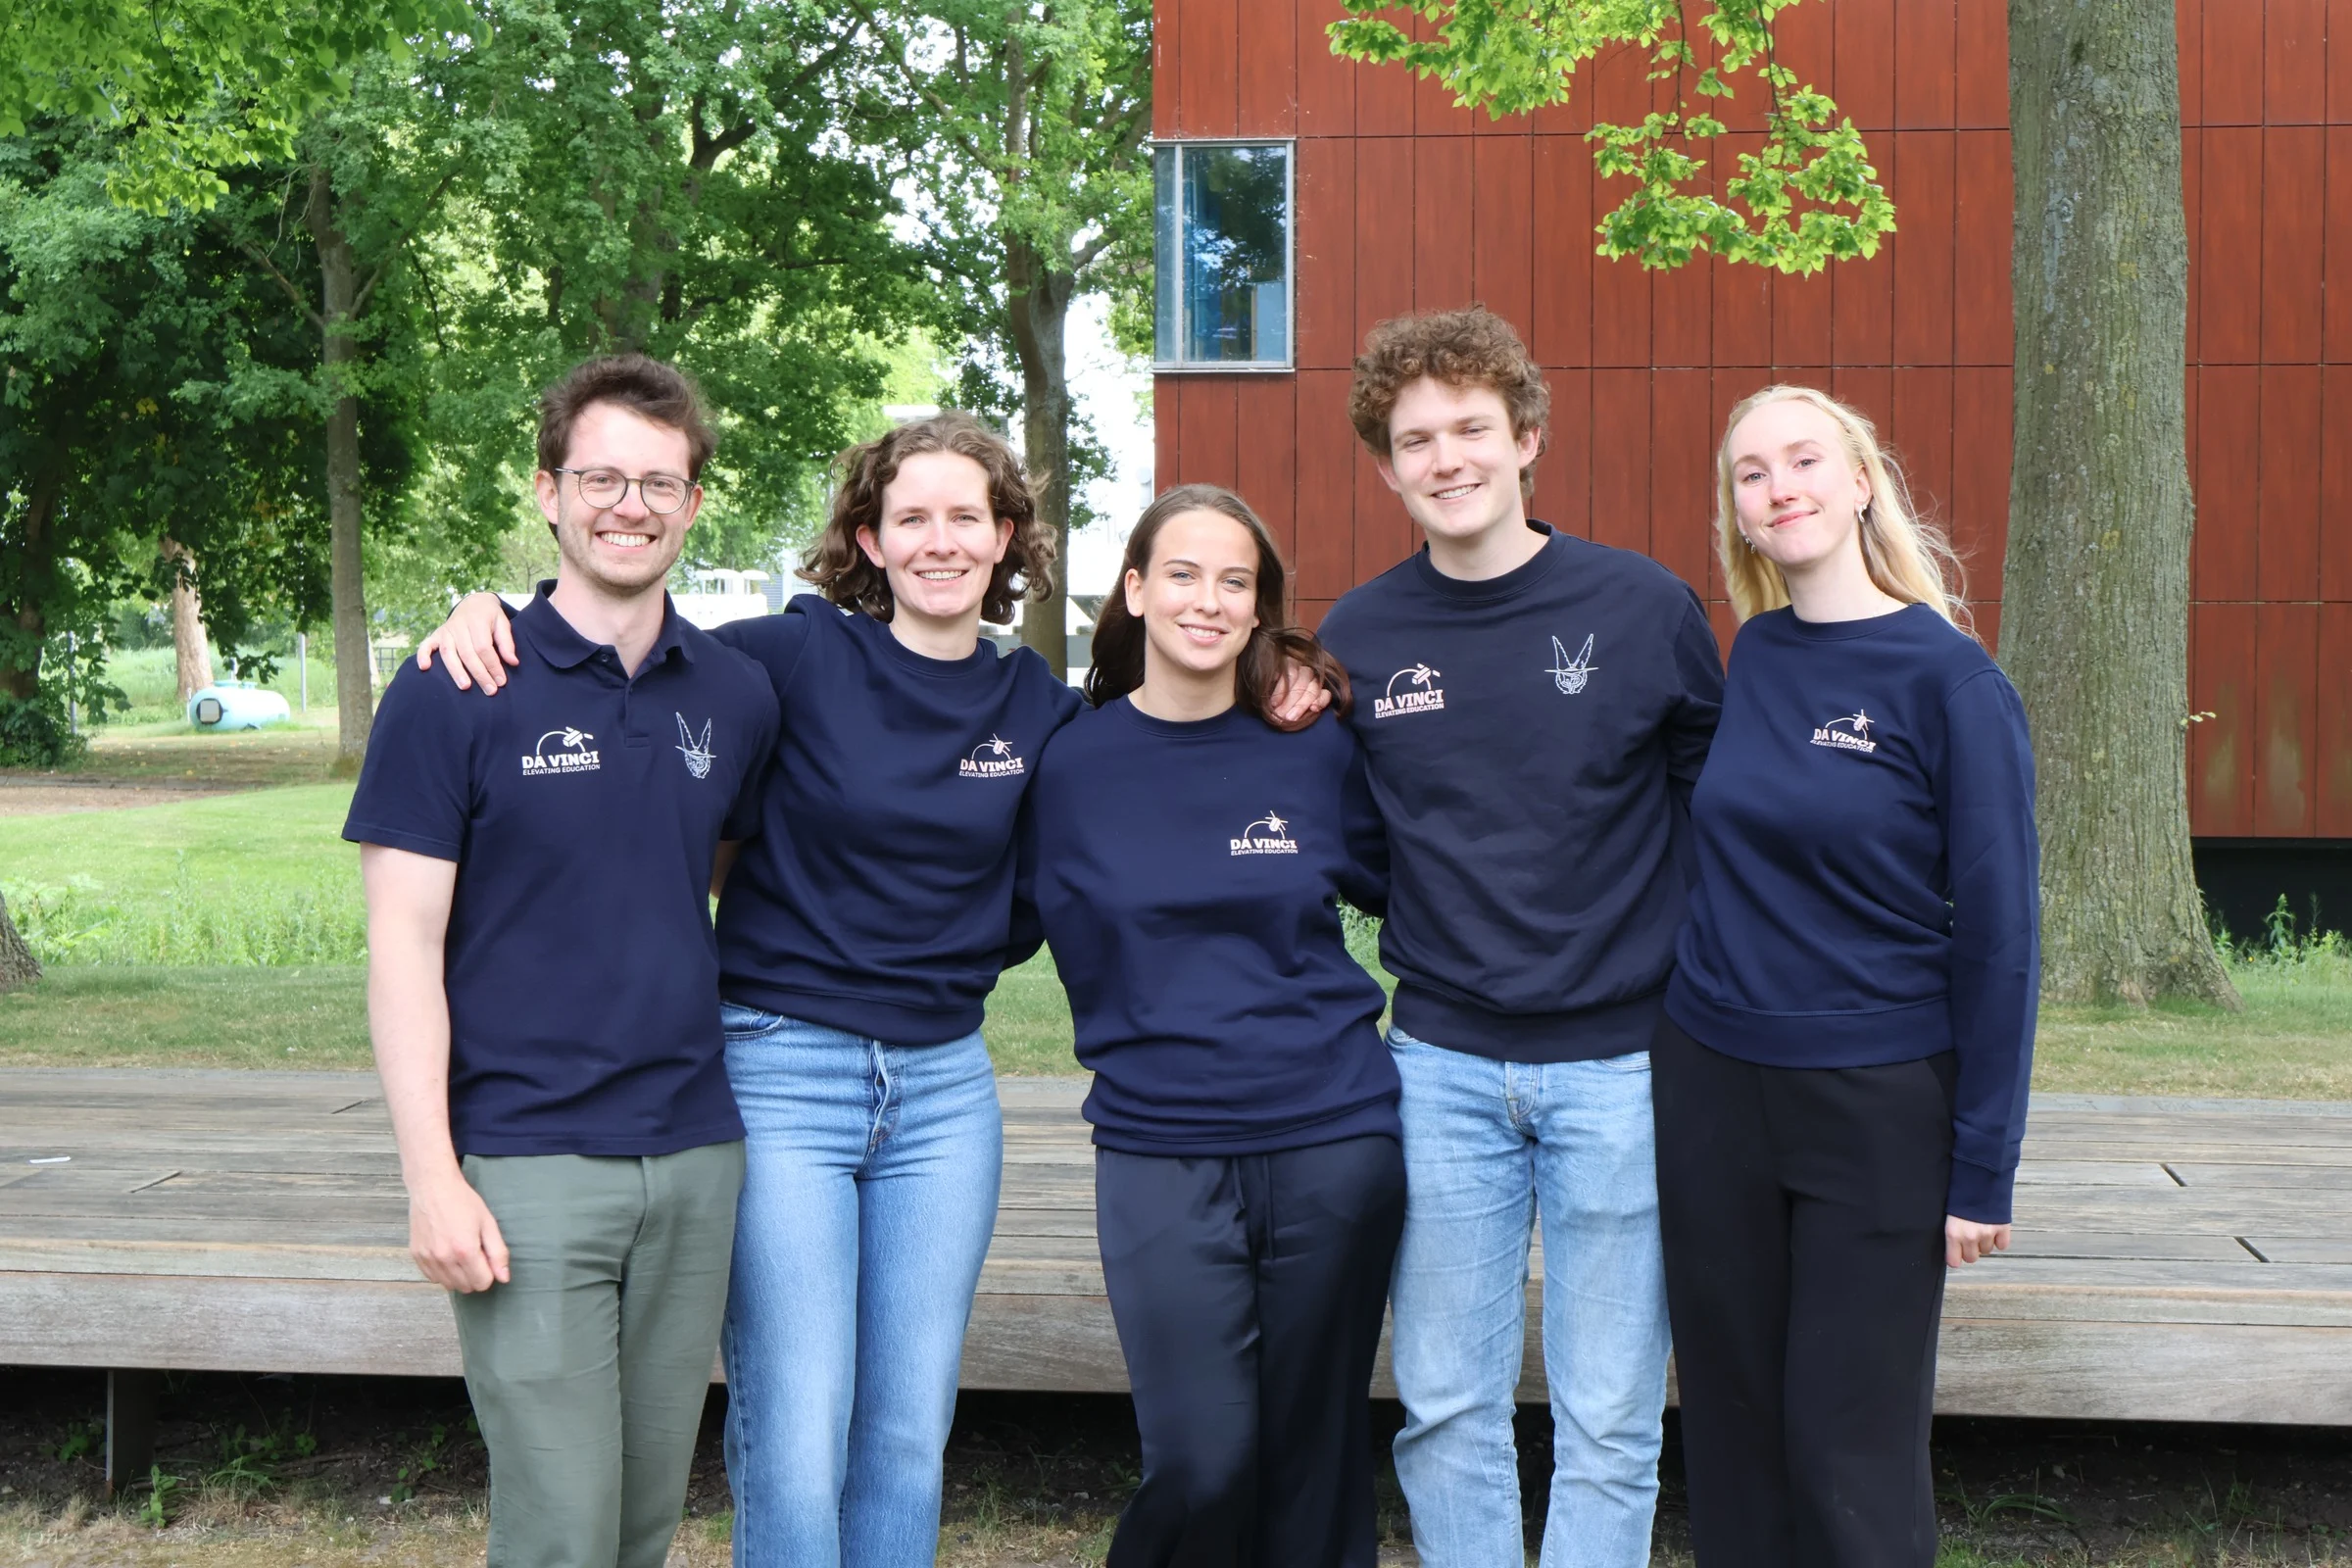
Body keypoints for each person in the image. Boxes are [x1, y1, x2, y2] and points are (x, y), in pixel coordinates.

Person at [411, 416, 1329, 1568]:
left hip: (944, 1090)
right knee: (796, 1430)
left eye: (966, 517)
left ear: (1006, 540)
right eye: (911, 518)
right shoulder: (790, 660)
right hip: (782, 1069)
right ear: (869, 539)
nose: (940, 540)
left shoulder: (1041, 709)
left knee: (906, 1431)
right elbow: (620, 641)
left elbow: (1155, 745)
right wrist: (489, 610)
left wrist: (1284, 665)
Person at [348, 354, 780, 1568]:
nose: (628, 504)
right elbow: (401, 949)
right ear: (549, 491)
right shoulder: (456, 685)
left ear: (695, 502)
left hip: (697, 1157)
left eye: (659, 481)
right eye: (601, 477)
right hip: (529, 1167)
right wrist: (432, 1177)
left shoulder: (735, 693)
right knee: (561, 1526)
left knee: (643, 1521)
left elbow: (715, 871)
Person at [1314, 306, 1724, 1568]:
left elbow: (1715, 808)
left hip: (1621, 1065)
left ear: (1526, 436)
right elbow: (1358, 842)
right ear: (1386, 467)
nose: (1447, 458)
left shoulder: (1643, 606)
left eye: (1471, 428)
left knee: (1609, 1411)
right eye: (1416, 439)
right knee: (1445, 1405)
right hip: (1438, 1066)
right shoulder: (1363, 638)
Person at [1654, 384, 2038, 1567]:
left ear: (1861, 480)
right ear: (1740, 513)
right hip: (1715, 1088)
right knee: (1730, 1426)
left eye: (1805, 460)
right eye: (1752, 473)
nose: (1782, 487)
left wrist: (1983, 1166)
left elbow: (2003, 939)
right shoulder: (1759, 652)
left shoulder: (1952, 684)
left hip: (1875, 1105)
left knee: (1845, 1444)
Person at [1015, 484, 1403, 1568]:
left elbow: (1418, 878)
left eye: (1236, 581)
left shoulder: (1316, 745)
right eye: (1182, 573)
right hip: (1158, 1144)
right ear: (1134, 589)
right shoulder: (1070, 765)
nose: (1208, 598)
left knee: (1315, 1449)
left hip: (1333, 1135)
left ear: (1260, 609)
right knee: (1203, 1453)